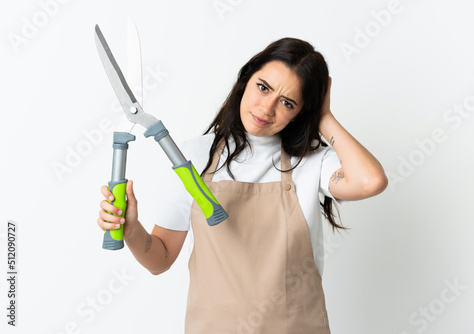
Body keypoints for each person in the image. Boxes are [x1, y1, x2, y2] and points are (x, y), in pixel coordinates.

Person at [97, 37, 388, 333]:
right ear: (245, 80)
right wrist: (131, 229)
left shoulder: (312, 162)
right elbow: (160, 260)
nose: (267, 108)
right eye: (263, 87)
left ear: (301, 111)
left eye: (287, 103)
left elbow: (370, 181)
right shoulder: (194, 157)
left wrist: (324, 118)